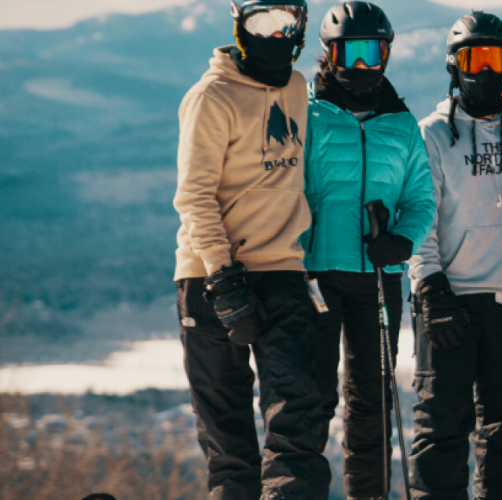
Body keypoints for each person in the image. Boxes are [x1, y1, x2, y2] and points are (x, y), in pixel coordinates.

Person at [171, 0, 330, 498]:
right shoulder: (211, 96)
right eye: (262, 21)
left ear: (300, 27)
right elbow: (194, 195)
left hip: (282, 269)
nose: (274, 34)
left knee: (298, 419)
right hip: (210, 276)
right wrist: (222, 276)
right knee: (228, 439)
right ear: (240, 25)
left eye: (286, 22)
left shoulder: (298, 88)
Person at [406, 11, 502, 500]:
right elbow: (415, 221)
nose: (488, 71)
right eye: (476, 59)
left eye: (497, 58)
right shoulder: (431, 135)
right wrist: (430, 288)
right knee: (441, 430)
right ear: (455, 66)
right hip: (450, 300)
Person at [300, 2, 436, 498]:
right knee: (312, 396)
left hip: (379, 278)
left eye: (372, 52)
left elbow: (422, 198)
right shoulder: (308, 115)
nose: (362, 65)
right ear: (330, 54)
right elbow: (286, 191)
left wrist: (403, 240)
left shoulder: (401, 125)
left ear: (387, 53)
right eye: (350, 52)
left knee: (372, 398)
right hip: (315, 275)